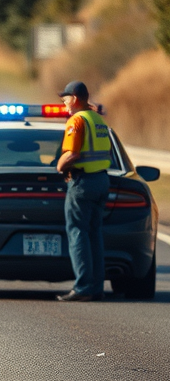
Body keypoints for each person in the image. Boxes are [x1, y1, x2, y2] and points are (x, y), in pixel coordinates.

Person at [55, 80, 111, 302]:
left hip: (83, 182)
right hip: (101, 181)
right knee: (94, 233)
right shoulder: (98, 120)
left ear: (75, 99)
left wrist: (59, 167)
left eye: (66, 100)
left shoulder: (76, 120)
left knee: (77, 232)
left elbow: (72, 154)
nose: (65, 105)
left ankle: (82, 287)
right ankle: (96, 286)